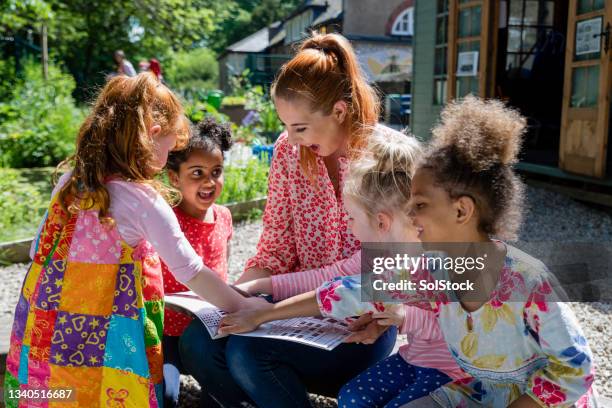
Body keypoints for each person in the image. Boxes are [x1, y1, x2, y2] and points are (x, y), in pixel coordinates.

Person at [289, 96, 598, 407]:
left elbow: (574, 371)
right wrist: (262, 313)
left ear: (462, 211)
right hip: (480, 394)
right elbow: (350, 291)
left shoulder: (528, 282)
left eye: (420, 205)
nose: (409, 215)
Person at [3, 73, 266, 407]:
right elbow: (192, 271)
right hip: (110, 333)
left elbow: (36, 249)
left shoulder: (71, 181)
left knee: (56, 393)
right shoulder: (142, 199)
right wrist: (244, 306)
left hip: (48, 323)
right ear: (153, 136)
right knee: (109, 392)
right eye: (170, 146)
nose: (167, 158)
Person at [179, 33, 397, 407]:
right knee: (198, 339)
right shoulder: (288, 152)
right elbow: (276, 245)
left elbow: (365, 271)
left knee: (249, 355)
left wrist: (265, 297)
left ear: (339, 112)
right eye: (286, 127)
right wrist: (232, 297)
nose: (292, 141)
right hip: (291, 311)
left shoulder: (384, 157)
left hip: (358, 323)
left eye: (300, 128)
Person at [220, 129, 470, 408]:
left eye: (351, 218)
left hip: (455, 374)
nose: (349, 226)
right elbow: (330, 278)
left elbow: (462, 328)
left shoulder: (441, 257)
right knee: (351, 398)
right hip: (412, 358)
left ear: (381, 223)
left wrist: (265, 313)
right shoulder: (381, 253)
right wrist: (260, 286)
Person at [161, 118, 234, 407]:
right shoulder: (164, 219)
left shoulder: (224, 217)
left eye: (216, 172)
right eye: (197, 173)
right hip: (164, 331)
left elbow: (223, 273)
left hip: (208, 329)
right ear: (174, 177)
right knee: (166, 396)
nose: (209, 181)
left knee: (219, 398)